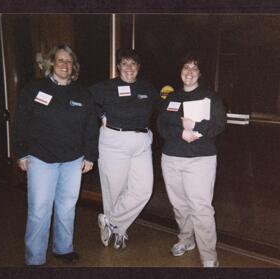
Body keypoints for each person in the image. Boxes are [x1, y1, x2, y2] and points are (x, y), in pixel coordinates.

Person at [12, 44, 99, 266]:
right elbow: (20, 122)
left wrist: (90, 156)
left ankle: (63, 248)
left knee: (67, 206)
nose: (65, 65)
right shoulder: (34, 89)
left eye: (69, 62)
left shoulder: (82, 93)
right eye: (60, 60)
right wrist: (21, 153)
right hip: (41, 159)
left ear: (74, 66)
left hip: (73, 160)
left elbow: (91, 126)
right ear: (51, 63)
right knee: (39, 210)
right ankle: (35, 258)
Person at [157, 53, 226, 267]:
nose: (189, 72)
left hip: (200, 159)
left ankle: (208, 256)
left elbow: (219, 123)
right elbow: (161, 125)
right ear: (180, 72)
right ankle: (186, 240)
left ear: (200, 73)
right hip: (171, 158)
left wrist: (195, 127)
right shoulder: (171, 98)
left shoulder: (210, 97)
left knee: (201, 207)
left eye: (194, 68)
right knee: (179, 205)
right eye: (185, 68)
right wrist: (180, 133)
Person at [89, 49, 161, 250]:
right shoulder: (107, 86)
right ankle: (119, 231)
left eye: (134, 64)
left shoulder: (146, 88)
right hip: (114, 140)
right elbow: (87, 98)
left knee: (143, 190)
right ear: (119, 66)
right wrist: (101, 115)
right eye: (125, 63)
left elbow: (163, 106)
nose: (129, 68)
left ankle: (111, 221)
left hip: (141, 141)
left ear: (139, 68)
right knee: (115, 190)